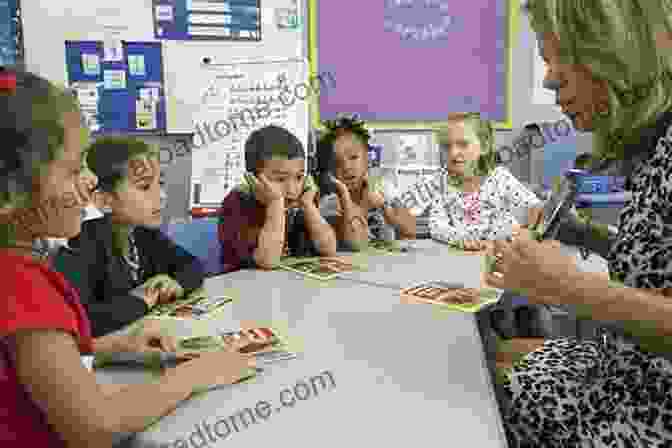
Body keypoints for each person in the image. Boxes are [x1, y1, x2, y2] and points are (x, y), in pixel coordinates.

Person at [0, 70, 255, 447]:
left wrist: (109, 347)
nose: (89, 181)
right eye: (74, 170)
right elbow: (97, 427)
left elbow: (27, 371)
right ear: (9, 193)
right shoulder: (24, 284)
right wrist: (195, 375)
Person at [485, 1, 672, 445]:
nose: (549, 79)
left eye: (558, 58)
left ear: (618, 50)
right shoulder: (657, 149)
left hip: (646, 416)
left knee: (482, 387)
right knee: (487, 358)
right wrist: (586, 234)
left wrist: (567, 287)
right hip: (623, 379)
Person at [56, 136, 206, 337]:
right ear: (104, 200)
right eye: (144, 187)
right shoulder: (82, 242)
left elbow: (192, 265)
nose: (161, 195)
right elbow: (82, 319)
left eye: (159, 184)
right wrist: (143, 300)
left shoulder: (143, 233)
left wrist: (176, 283)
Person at [399, 112, 543, 250]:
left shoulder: (499, 177)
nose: (453, 153)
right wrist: (461, 240)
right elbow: (437, 224)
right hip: (462, 254)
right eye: (446, 146)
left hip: (501, 253)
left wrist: (526, 234)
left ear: (484, 146)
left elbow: (535, 207)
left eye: (463, 144)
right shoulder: (442, 182)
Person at [218, 125, 337, 272]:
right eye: (280, 179)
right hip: (243, 286)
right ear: (253, 180)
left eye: (299, 177)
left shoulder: (299, 202)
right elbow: (267, 261)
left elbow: (329, 249)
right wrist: (275, 205)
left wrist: (308, 205)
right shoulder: (236, 204)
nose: (292, 189)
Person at [315, 113, 416, 250]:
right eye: (337, 163)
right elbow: (355, 244)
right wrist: (364, 206)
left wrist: (384, 207)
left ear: (368, 159)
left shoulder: (385, 189)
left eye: (353, 157)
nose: (347, 167)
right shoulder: (330, 204)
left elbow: (410, 230)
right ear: (330, 172)